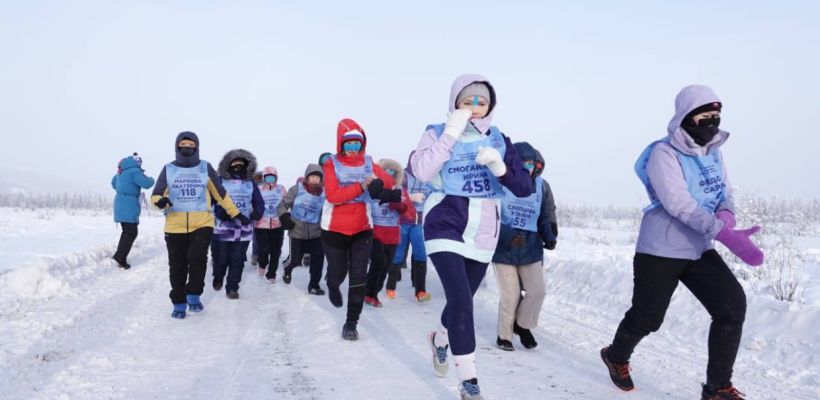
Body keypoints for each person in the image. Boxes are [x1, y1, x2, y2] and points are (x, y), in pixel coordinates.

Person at [600, 85, 763, 400]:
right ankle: (616, 355)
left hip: (699, 247)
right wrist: (722, 231)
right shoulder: (664, 153)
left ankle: (717, 388)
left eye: (717, 116)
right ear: (688, 116)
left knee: (731, 305)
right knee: (648, 317)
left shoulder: (714, 151)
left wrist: (727, 215)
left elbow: (726, 190)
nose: (713, 122)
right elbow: (679, 204)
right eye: (706, 115)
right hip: (660, 248)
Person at [410, 75, 532, 399]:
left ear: (491, 106)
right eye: (468, 101)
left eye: (482, 102)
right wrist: (450, 133)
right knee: (463, 303)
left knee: (459, 301)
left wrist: (501, 169)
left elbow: (524, 188)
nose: (475, 108)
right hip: (445, 222)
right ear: (455, 103)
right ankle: (469, 384)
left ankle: (439, 338)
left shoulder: (499, 139)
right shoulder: (435, 131)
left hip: (484, 231)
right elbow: (420, 171)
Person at [151, 131, 246, 319]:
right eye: (183, 144)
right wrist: (160, 201)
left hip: (202, 223)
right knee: (177, 265)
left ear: (196, 147)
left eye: (190, 144)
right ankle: (179, 302)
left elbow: (220, 194)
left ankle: (194, 295)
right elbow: (156, 194)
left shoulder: (205, 168)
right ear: (177, 146)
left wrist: (236, 214)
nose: (187, 147)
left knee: (197, 259)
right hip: (174, 225)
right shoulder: (168, 169)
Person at [321, 118, 399, 340]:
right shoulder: (331, 164)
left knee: (358, 276)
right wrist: (361, 186)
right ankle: (332, 283)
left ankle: (351, 323)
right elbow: (333, 196)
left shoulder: (368, 162)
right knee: (338, 273)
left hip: (362, 229)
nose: (353, 148)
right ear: (341, 144)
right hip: (334, 229)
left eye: (357, 143)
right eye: (349, 144)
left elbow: (389, 182)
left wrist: (378, 184)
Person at [491, 142, 557, 352]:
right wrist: (508, 235)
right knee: (510, 295)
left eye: (531, 164)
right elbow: (489, 215)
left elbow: (544, 214)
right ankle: (505, 336)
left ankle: (522, 325)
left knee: (537, 291)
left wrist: (550, 234)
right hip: (503, 249)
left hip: (530, 247)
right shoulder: (498, 183)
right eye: (524, 163)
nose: (528, 168)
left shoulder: (541, 185)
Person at [211, 150, 265, 299]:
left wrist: (258, 212)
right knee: (221, 259)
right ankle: (218, 275)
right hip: (223, 227)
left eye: (241, 165)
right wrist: (219, 211)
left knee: (238, 259)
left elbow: (258, 201)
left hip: (244, 227)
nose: (238, 167)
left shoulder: (250, 183)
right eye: (234, 164)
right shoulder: (220, 180)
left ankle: (232, 288)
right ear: (227, 166)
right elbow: (212, 200)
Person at [363, 159, 414, 307]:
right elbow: (363, 206)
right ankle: (368, 292)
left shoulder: (400, 191)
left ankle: (374, 293)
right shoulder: (372, 189)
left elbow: (410, 213)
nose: (389, 175)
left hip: (392, 236)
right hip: (375, 233)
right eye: (386, 172)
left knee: (385, 267)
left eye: (393, 173)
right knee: (378, 262)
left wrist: (400, 206)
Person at [391, 151, 433, 302]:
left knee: (421, 253)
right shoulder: (404, 176)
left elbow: (433, 194)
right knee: (399, 252)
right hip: (403, 220)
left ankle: (420, 290)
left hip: (419, 220)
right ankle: (391, 284)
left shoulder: (429, 177)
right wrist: (410, 197)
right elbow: (395, 195)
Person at [279, 164, 327, 295]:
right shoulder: (296, 189)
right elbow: (283, 204)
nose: (314, 180)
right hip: (297, 231)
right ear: (307, 177)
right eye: (312, 177)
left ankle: (314, 285)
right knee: (295, 260)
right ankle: (288, 269)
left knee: (318, 259)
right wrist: (284, 216)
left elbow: (328, 210)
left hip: (316, 232)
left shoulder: (324, 193)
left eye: (317, 177)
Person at [111, 153, 155, 269]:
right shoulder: (135, 171)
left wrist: (124, 188)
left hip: (120, 202)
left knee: (127, 231)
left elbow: (113, 184)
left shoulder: (121, 171)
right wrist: (151, 179)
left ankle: (119, 254)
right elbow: (147, 184)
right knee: (131, 232)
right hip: (128, 204)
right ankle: (120, 256)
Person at [254, 166, 287, 282]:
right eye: (267, 178)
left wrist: (286, 216)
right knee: (263, 249)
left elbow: (286, 203)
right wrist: (254, 213)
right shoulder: (258, 189)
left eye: (272, 177)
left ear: (276, 178)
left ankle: (271, 273)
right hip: (261, 224)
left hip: (277, 224)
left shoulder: (281, 189)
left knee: (276, 250)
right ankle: (262, 264)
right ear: (263, 178)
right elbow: (253, 204)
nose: (270, 180)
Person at [250, 171, 263, 266]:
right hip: (256, 214)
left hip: (258, 214)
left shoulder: (253, 186)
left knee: (257, 237)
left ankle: (256, 255)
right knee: (256, 237)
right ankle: (256, 255)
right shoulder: (253, 187)